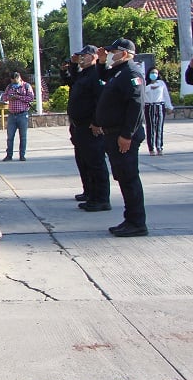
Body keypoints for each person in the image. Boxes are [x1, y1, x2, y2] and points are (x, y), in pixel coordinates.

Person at [94, 38, 147, 237]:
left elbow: (136, 106)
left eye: (112, 52)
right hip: (114, 133)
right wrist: (100, 61)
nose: (110, 55)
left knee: (129, 178)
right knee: (123, 178)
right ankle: (130, 219)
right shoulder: (119, 72)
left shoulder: (131, 73)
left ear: (124, 53)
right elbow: (103, 77)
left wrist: (127, 135)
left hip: (124, 135)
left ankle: (137, 222)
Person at [61, 45, 110, 211]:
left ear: (94, 57)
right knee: (84, 161)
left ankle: (101, 198)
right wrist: (72, 65)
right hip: (78, 126)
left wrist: (97, 122)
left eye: (85, 56)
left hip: (90, 126)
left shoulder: (97, 73)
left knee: (95, 163)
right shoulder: (84, 73)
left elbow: (100, 100)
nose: (82, 58)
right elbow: (71, 80)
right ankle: (90, 193)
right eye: (81, 56)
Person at [1, 72, 35, 161]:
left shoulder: (26, 86)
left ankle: (22, 155)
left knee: (23, 137)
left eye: (15, 80)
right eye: (12, 80)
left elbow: (31, 98)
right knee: (10, 137)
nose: (13, 82)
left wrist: (18, 97)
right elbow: (4, 97)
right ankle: (9, 155)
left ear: (19, 78)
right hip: (12, 115)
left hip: (23, 114)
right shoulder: (9, 87)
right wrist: (9, 97)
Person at [143, 66, 173, 156]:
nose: (154, 75)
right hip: (149, 106)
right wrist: (150, 87)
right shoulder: (145, 83)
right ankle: (151, 148)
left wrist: (169, 107)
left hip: (159, 105)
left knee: (159, 127)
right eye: (152, 73)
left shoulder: (161, 83)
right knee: (150, 127)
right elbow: (141, 92)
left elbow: (166, 95)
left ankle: (159, 147)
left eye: (155, 73)